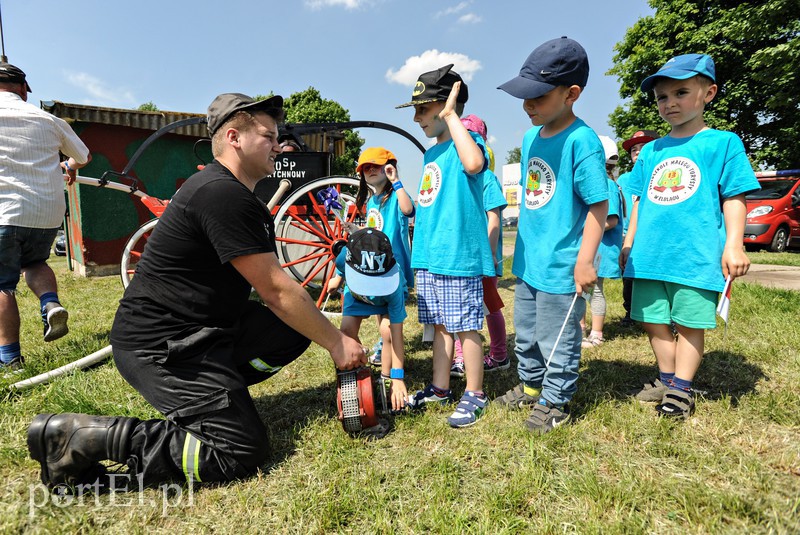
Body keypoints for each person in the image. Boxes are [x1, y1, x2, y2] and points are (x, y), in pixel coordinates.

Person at [27, 93, 368, 492]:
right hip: (161, 346)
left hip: (204, 331)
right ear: (234, 137)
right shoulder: (221, 194)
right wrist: (338, 344)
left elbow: (277, 292)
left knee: (291, 330)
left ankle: (216, 397)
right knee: (239, 451)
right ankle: (76, 437)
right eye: (268, 136)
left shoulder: (231, 193)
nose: (278, 146)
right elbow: (276, 290)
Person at [620, 54, 759, 418]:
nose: (670, 102)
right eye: (662, 97)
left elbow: (735, 196)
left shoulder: (723, 143)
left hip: (695, 255)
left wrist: (734, 244)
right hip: (649, 255)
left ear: (708, 93)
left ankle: (681, 388)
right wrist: (629, 241)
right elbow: (640, 202)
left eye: (681, 92)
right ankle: (668, 378)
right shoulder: (651, 150)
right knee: (651, 320)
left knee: (689, 323)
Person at [495, 37, 608, 434]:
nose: (528, 105)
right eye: (524, 96)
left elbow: (598, 206)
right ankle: (531, 386)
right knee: (525, 333)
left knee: (555, 337)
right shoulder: (530, 139)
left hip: (562, 264)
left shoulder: (582, 141)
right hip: (529, 261)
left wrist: (584, 261)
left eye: (538, 97)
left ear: (571, 94)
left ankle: (556, 400)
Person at [396, 65, 496, 428]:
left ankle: (475, 393)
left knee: (466, 326)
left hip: (457, 256)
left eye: (423, 109)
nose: (417, 118)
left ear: (447, 105)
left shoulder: (467, 143)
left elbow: (474, 164)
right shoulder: (431, 154)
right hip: (431, 255)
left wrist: (453, 116)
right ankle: (440, 388)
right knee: (440, 326)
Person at [0, 62, 91, 372]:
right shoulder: (49, 120)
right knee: (36, 262)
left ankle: (10, 360)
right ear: (23, 90)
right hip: (46, 213)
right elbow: (83, 156)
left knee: (3, 285)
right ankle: (50, 302)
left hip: (5, 211)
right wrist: (68, 167)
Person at [330, 147, 414, 367]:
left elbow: (408, 210)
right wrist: (356, 231)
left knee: (388, 320)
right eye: (365, 168)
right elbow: (375, 232)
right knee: (379, 312)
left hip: (392, 267)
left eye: (376, 165)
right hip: (373, 266)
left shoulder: (396, 196)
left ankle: (388, 355)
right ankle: (380, 349)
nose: (370, 170)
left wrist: (396, 181)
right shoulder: (372, 201)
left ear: (389, 168)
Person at [451, 115, 509, 377]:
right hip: (463, 258)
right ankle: (460, 357)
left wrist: (488, 255)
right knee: (460, 308)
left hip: (483, 258)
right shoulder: (459, 178)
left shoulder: (487, 178)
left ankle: (499, 355)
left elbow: (493, 219)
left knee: (490, 306)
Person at [331, 228, 410, 411]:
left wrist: (398, 377)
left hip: (385, 297)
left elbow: (397, 334)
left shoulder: (394, 284)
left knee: (387, 331)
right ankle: (359, 369)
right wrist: (338, 279)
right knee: (346, 332)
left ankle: (386, 378)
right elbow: (341, 266)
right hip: (357, 295)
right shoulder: (344, 257)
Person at [581, 136, 624, 348]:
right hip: (592, 248)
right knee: (581, 290)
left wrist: (584, 230)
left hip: (601, 250)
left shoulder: (607, 185)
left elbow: (612, 220)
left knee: (594, 290)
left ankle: (596, 333)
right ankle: (579, 329)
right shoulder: (601, 183)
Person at [617, 129, 660, 326]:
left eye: (643, 147)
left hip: (652, 235)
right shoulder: (624, 180)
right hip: (628, 234)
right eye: (634, 149)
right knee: (629, 275)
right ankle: (631, 311)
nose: (638, 152)